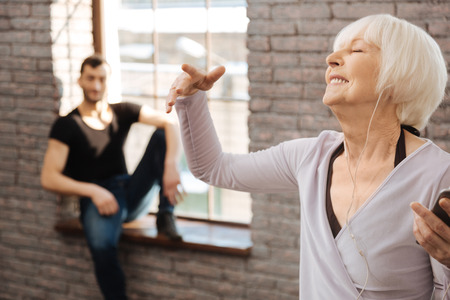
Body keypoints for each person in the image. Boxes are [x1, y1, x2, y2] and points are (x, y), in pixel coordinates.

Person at [166, 14, 450, 299]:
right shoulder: (310, 158)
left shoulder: (438, 174)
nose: (331, 58)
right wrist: (190, 100)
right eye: (337, 49)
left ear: (400, 75)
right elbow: (214, 168)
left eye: (357, 50)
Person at [41, 54, 184, 300]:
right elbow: (49, 178)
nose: (96, 85)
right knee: (102, 246)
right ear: (80, 81)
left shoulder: (122, 111)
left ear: (108, 81)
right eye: (90, 78)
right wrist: (93, 191)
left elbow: (170, 123)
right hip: (97, 200)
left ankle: (165, 215)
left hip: (129, 192)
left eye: (101, 79)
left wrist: (171, 166)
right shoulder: (67, 125)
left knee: (161, 137)